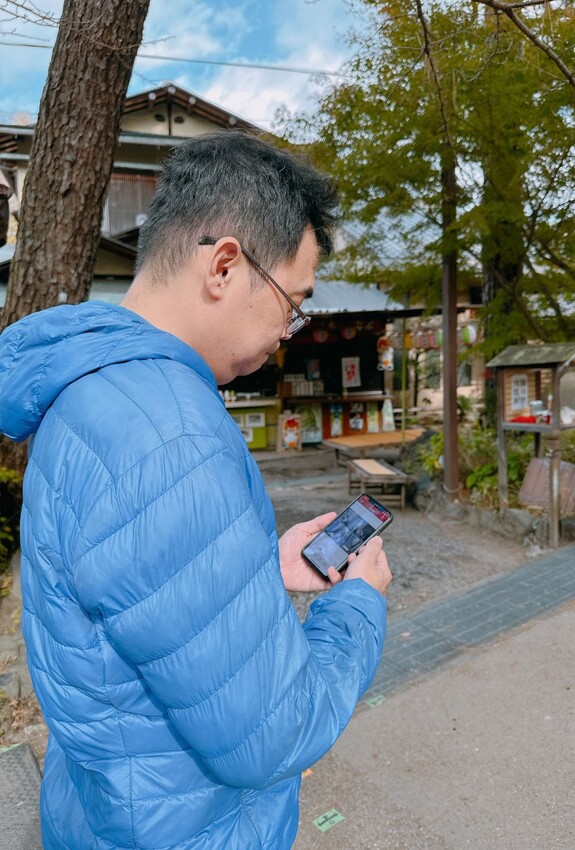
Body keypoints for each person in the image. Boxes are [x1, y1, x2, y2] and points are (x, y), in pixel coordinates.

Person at [0, 131, 392, 850]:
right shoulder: (171, 435)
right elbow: (272, 734)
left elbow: (123, 603)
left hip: (105, 811)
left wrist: (252, 569)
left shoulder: (94, 387)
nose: (288, 331)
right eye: (291, 302)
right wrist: (356, 608)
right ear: (223, 265)